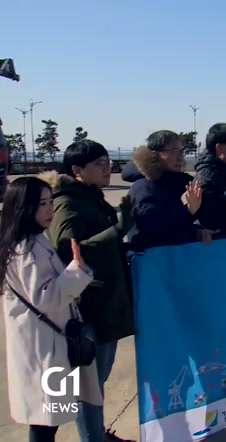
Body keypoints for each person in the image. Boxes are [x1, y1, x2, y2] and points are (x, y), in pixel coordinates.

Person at [39, 141, 136, 442]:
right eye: (99, 164)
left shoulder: (90, 198)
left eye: (108, 162)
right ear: (76, 170)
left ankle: (97, 434)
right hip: (87, 309)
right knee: (87, 385)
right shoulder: (68, 204)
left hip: (104, 304)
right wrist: (118, 230)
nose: (107, 168)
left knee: (96, 380)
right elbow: (69, 252)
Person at [0, 177, 102, 442]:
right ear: (23, 208)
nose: (49, 210)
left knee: (49, 418)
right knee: (45, 421)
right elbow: (45, 297)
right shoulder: (27, 249)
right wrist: (77, 270)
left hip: (49, 343)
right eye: (41, 204)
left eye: (50, 202)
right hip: (45, 347)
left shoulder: (31, 241)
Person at [125, 130, 211, 252]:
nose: (180, 156)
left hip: (176, 258)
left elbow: (181, 227)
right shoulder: (144, 187)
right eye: (174, 151)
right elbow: (154, 230)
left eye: (182, 151)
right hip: (152, 260)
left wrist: (197, 231)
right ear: (155, 155)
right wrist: (188, 212)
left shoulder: (179, 183)